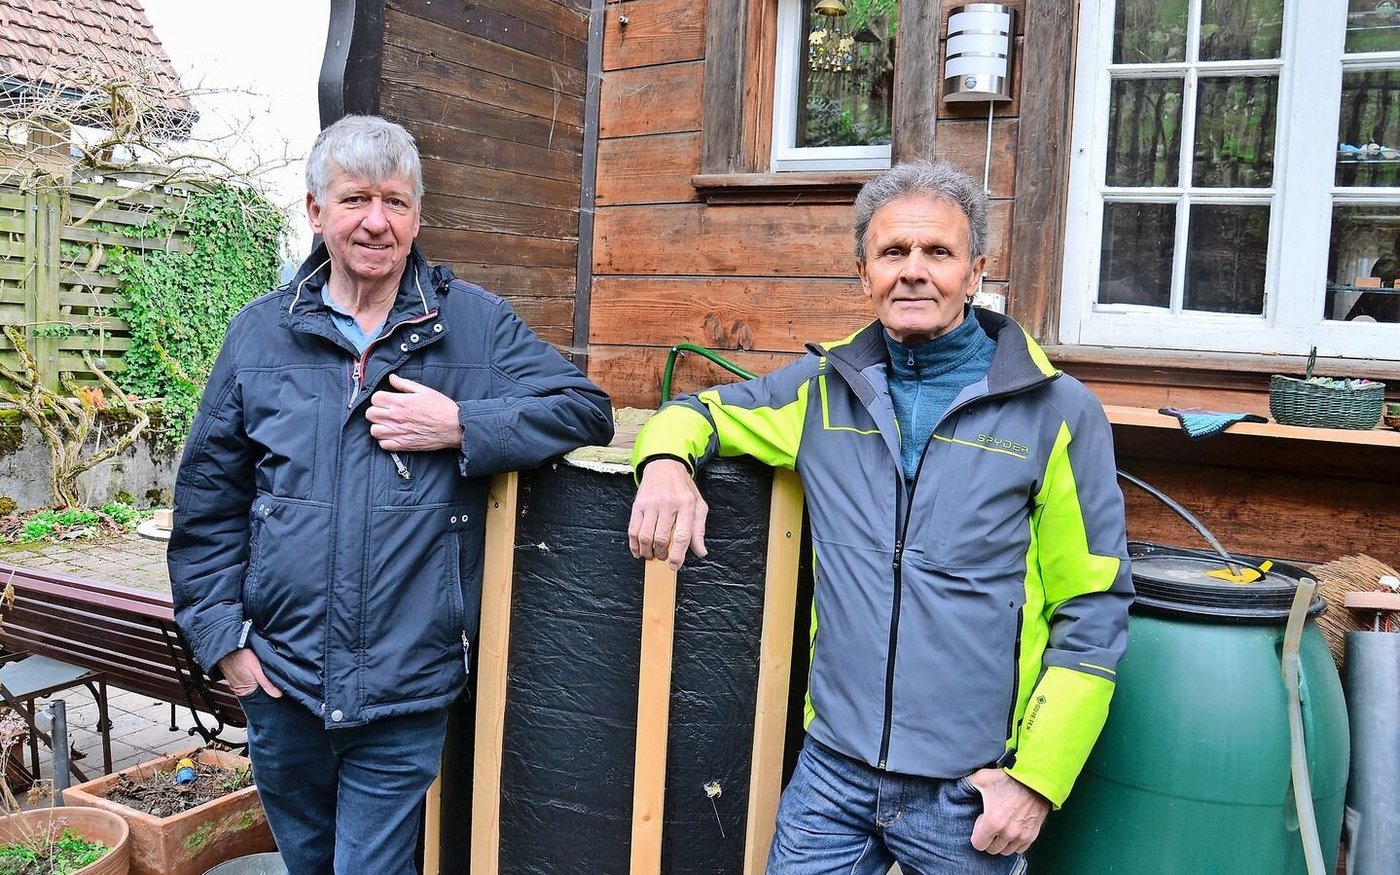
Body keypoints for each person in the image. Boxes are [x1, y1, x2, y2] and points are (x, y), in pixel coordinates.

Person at [627, 161, 1132, 874]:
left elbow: (1095, 605)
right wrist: (667, 465)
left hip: (970, 788)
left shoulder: (1056, 412)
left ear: (975, 270)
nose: (914, 272)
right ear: (863, 272)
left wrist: (1036, 779)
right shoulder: (821, 392)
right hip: (833, 773)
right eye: (893, 252)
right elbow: (696, 411)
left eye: (938, 252)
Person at [168, 114, 613, 874]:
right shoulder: (257, 336)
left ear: (417, 215)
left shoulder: (471, 324)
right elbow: (208, 502)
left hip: (405, 685)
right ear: (315, 211)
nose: (377, 221)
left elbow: (585, 407)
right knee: (308, 864)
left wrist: (463, 423)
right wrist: (224, 641)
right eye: (355, 200)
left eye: (397, 202)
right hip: (281, 681)